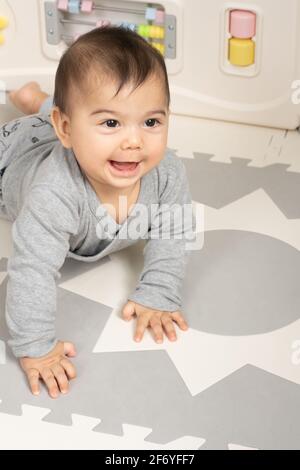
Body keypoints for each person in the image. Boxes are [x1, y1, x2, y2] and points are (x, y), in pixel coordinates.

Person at [0, 26, 195, 399]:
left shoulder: (166, 172)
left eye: (151, 122)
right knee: (36, 129)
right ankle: (39, 106)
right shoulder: (53, 194)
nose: (134, 141)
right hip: (12, 158)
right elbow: (32, 270)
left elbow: (174, 230)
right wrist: (36, 346)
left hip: (63, 130)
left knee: (68, 115)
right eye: (111, 123)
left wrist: (158, 290)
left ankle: (39, 101)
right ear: (67, 129)